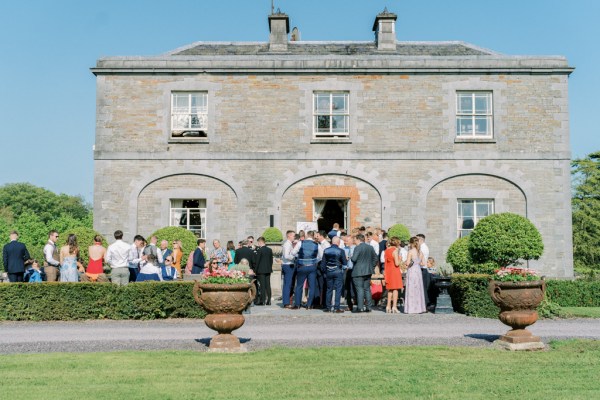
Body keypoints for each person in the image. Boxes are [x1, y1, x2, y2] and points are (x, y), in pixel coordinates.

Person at [290, 230, 319, 309]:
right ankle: (309, 305)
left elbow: (293, 253)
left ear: (307, 235)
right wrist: (314, 260)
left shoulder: (301, 243)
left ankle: (297, 304)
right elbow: (320, 256)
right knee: (312, 286)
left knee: (299, 285)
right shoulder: (317, 244)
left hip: (302, 266)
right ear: (313, 236)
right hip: (312, 266)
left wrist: (299, 255)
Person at [350, 233, 378, 313]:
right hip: (368, 271)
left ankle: (360, 307)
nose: (354, 241)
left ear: (358, 239)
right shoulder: (370, 247)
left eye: (355, 240)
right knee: (367, 289)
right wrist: (371, 266)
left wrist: (351, 257)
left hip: (358, 271)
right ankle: (369, 307)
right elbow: (375, 258)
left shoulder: (357, 248)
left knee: (360, 290)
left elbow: (354, 259)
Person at [320, 236, 347, 313]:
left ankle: (328, 307)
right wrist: (343, 269)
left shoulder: (326, 250)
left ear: (332, 242)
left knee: (329, 289)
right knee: (338, 290)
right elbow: (345, 263)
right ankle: (336, 307)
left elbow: (323, 263)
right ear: (338, 243)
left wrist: (325, 271)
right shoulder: (341, 251)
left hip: (329, 271)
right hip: (338, 271)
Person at [404, 236, 426, 314]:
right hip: (418, 270)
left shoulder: (410, 251)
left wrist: (408, 263)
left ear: (411, 243)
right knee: (418, 288)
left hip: (412, 270)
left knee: (411, 288)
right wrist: (417, 262)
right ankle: (419, 308)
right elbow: (423, 263)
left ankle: (411, 308)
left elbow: (407, 263)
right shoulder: (421, 252)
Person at [384, 237, 403, 313]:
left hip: (388, 270)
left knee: (390, 289)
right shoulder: (395, 251)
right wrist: (400, 259)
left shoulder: (387, 250)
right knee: (395, 289)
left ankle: (388, 306)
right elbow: (397, 263)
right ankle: (394, 307)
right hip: (394, 271)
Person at [281, 230, 298, 309]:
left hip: (289, 265)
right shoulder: (287, 244)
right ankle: (286, 303)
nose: (294, 237)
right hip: (288, 265)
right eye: (293, 235)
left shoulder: (289, 244)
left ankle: (288, 301)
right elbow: (286, 256)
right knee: (287, 285)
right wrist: (294, 256)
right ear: (289, 236)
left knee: (289, 284)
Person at [254, 237, 273, 306]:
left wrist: (255, 270)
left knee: (262, 285)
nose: (258, 244)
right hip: (268, 270)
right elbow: (271, 261)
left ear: (260, 242)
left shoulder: (260, 250)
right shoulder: (269, 250)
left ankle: (262, 301)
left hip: (261, 270)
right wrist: (270, 268)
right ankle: (269, 300)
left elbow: (257, 261)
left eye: (258, 242)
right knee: (268, 285)